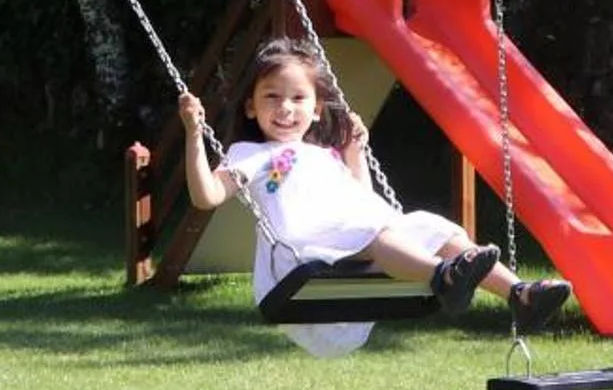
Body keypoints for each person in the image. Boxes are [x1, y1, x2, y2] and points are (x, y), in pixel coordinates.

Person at [177, 38, 573, 356]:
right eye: (271, 97)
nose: (285, 108)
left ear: (317, 110)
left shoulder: (325, 155)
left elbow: (363, 203)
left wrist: (353, 156)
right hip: (298, 258)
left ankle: (519, 295)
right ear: (251, 106)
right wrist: (194, 136)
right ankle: (443, 275)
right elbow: (206, 196)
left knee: (433, 226)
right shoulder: (253, 154)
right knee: (374, 231)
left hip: (346, 243)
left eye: (298, 98)